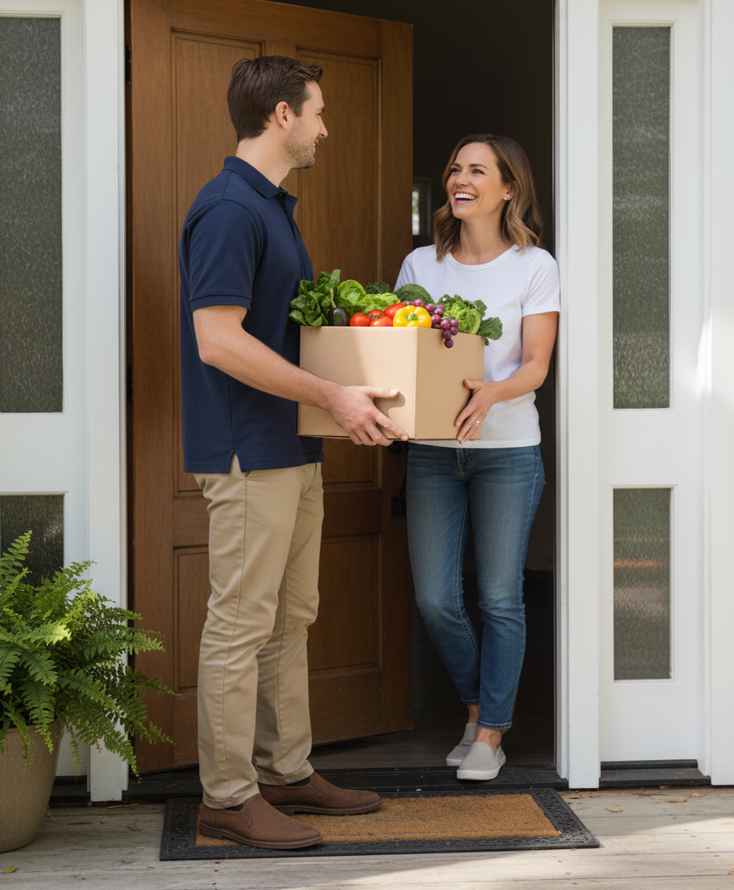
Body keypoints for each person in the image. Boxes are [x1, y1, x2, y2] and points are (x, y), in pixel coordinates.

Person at [179, 55, 408, 850]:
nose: (324, 129)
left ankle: (284, 770)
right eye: (317, 112)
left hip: (293, 445)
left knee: (289, 619)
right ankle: (226, 797)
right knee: (241, 623)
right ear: (282, 114)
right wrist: (333, 396)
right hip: (248, 450)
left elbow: (281, 332)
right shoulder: (229, 209)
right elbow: (218, 341)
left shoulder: (272, 208)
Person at [395, 134, 559, 782]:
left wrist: (491, 393)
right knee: (436, 599)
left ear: (509, 188)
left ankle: (491, 733)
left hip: (507, 452)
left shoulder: (534, 266)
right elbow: (403, 354)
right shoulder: (421, 265)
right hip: (433, 453)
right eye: (455, 168)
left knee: (499, 597)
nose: (460, 179)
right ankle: (475, 708)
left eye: (477, 170)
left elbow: (536, 364)